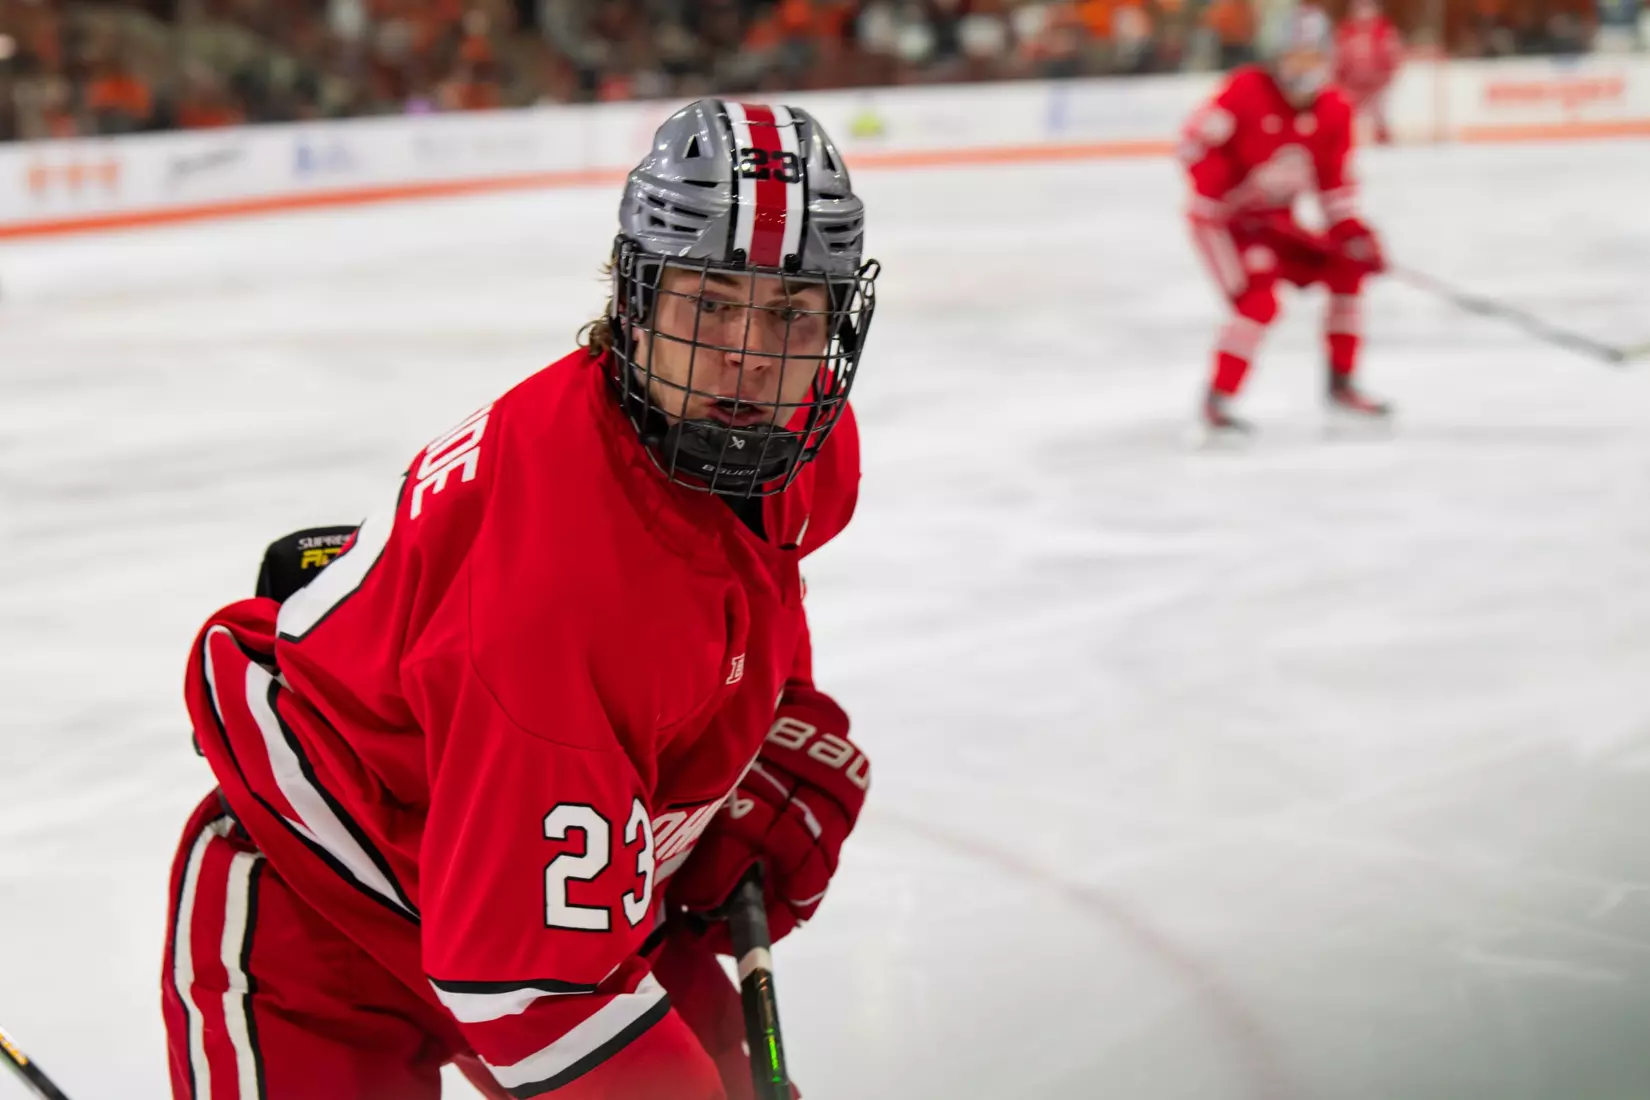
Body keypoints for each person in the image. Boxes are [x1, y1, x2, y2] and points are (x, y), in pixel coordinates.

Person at [161, 99, 879, 1100]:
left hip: (536, 869)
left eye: (792, 311)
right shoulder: (564, 585)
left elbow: (753, 579)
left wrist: (758, 727)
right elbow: (534, 993)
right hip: (326, 915)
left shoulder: (793, 447)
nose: (752, 356)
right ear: (636, 299)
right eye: (711, 302)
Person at [1179, 1, 1389, 435]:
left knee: (1346, 268)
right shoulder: (1245, 92)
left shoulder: (1334, 109)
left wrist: (1351, 233)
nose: (1303, 67)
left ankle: (1342, 385)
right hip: (1222, 224)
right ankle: (1218, 402)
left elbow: (1335, 184)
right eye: (1294, 56)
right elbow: (1192, 144)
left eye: (1312, 56)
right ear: (1277, 58)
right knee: (1259, 301)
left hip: (1273, 222)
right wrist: (1224, 193)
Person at [1335, 0, 1402, 145]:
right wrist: (1341, 82)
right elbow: (1337, 59)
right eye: (1359, 8)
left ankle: (1384, 147)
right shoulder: (1346, 32)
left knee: (1380, 117)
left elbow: (1393, 57)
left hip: (1378, 86)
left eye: (1367, 8)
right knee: (1349, 117)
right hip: (1351, 86)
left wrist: (1385, 80)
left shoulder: (1384, 32)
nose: (1363, 13)